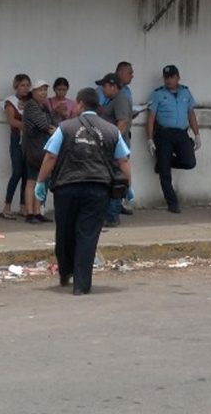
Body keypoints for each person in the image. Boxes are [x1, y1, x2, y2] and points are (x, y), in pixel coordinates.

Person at [34, 87, 131, 295]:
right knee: (87, 235)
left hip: (66, 188)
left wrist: (40, 182)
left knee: (65, 232)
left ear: (79, 104)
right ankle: (81, 285)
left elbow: (50, 156)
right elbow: (123, 160)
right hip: (98, 189)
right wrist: (128, 187)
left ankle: (65, 271)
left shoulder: (65, 127)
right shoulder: (112, 130)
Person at [146, 65, 201, 214]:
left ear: (178, 77)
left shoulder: (186, 92)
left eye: (172, 77)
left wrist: (197, 134)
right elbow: (150, 118)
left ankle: (164, 162)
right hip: (164, 134)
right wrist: (150, 139)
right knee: (165, 173)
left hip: (181, 133)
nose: (169, 80)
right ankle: (172, 203)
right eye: (166, 78)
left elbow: (191, 114)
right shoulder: (157, 94)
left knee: (190, 162)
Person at [96, 73, 133, 227]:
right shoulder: (112, 100)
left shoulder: (120, 100)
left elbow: (122, 123)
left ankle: (112, 215)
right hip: (110, 147)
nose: (102, 89)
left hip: (115, 149)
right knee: (108, 181)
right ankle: (108, 214)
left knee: (116, 182)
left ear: (112, 86)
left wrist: (112, 143)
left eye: (104, 86)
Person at [22, 80, 56, 224]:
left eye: (45, 90)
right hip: (34, 147)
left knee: (40, 180)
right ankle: (30, 213)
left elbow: (52, 121)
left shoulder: (42, 106)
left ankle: (37, 212)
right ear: (33, 92)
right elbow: (44, 125)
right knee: (32, 180)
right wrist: (56, 131)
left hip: (42, 146)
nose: (43, 93)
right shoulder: (31, 106)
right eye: (40, 90)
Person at [0, 74, 31, 220]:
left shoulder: (31, 102)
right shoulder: (10, 102)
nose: (25, 88)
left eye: (27, 85)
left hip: (29, 141)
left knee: (26, 173)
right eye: (22, 85)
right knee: (17, 172)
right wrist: (28, 126)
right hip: (17, 139)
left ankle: (23, 207)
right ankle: (7, 206)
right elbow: (12, 121)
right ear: (16, 87)